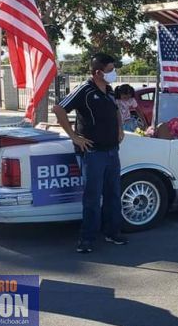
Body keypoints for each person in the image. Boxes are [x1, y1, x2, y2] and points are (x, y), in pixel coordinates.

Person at [53, 53, 128, 253]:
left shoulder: (110, 90)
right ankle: (87, 239)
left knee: (113, 194)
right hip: (93, 153)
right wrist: (73, 136)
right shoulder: (84, 90)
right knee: (92, 197)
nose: (114, 74)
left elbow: (115, 111)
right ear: (97, 72)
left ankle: (112, 232)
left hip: (112, 151)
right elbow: (59, 109)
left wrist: (120, 129)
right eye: (110, 70)